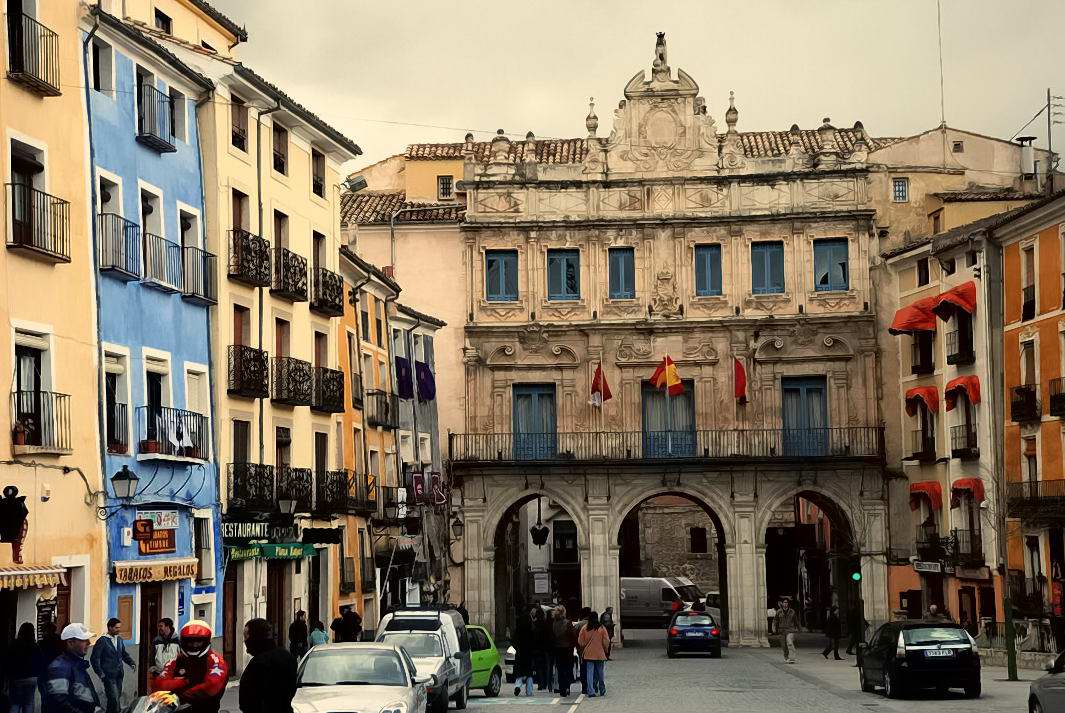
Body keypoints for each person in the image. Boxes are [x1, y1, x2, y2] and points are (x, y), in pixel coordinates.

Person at [153, 620, 229, 713]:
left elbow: (212, 685)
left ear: (206, 641)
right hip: (175, 710)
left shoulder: (216, 660)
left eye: (199, 642)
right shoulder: (175, 660)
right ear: (183, 641)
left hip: (206, 709)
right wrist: (186, 681)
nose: (194, 645)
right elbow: (159, 684)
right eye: (190, 642)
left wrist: (181, 693)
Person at [239, 619, 297, 713]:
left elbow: (247, 701)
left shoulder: (257, 664)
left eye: (246, 636)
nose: (244, 640)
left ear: (254, 637)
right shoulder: (287, 657)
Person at [41, 623, 100, 713]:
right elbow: (58, 702)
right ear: (70, 643)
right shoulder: (59, 667)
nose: (89, 643)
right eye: (83, 640)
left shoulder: (76, 665)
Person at [90, 618, 135, 713]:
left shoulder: (119, 639)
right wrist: (100, 673)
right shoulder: (102, 641)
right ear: (110, 628)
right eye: (116, 628)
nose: (119, 629)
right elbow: (95, 658)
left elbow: (123, 654)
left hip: (119, 674)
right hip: (108, 676)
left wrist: (131, 662)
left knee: (114, 699)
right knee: (114, 699)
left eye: (119, 627)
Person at [7, 622, 44, 713]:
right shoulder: (35, 646)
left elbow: (8, 660)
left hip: (16, 677)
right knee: (29, 703)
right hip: (32, 677)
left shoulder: (14, 645)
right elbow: (41, 662)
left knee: (15, 703)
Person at [576, 611, 610, 698]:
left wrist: (584, 646)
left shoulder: (585, 628)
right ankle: (602, 688)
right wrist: (605, 650)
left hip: (588, 653)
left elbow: (580, 641)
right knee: (600, 672)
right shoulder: (602, 628)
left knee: (589, 673)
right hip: (599, 653)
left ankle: (590, 691)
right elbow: (606, 641)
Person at [551, 607, 575, 697]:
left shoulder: (554, 623)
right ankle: (567, 687)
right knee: (568, 668)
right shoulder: (567, 623)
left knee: (560, 669)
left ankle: (562, 689)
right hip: (567, 648)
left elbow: (552, 636)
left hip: (557, 648)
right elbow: (572, 636)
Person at [511, 608, 536, 696]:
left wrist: (517, 648)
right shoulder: (531, 630)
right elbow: (534, 641)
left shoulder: (518, 629)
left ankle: (518, 686)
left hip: (520, 652)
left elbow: (513, 641)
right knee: (529, 673)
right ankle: (529, 691)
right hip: (529, 653)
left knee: (519, 672)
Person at [151, 618, 180, 683]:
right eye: (159, 626)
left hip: (173, 674)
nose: (159, 628)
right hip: (159, 673)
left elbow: (182, 656)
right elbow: (152, 655)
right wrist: (153, 669)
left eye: (161, 626)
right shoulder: (156, 640)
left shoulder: (178, 640)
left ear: (167, 626)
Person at [776, 598, 799, 664]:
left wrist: (799, 628)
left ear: (788, 604)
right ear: (782, 603)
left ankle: (792, 658)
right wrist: (775, 629)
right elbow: (775, 620)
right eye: (784, 602)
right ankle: (786, 657)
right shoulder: (779, 611)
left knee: (789, 642)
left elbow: (796, 621)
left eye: (786, 602)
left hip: (790, 630)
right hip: (782, 630)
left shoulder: (792, 611)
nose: (785, 604)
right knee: (784, 645)